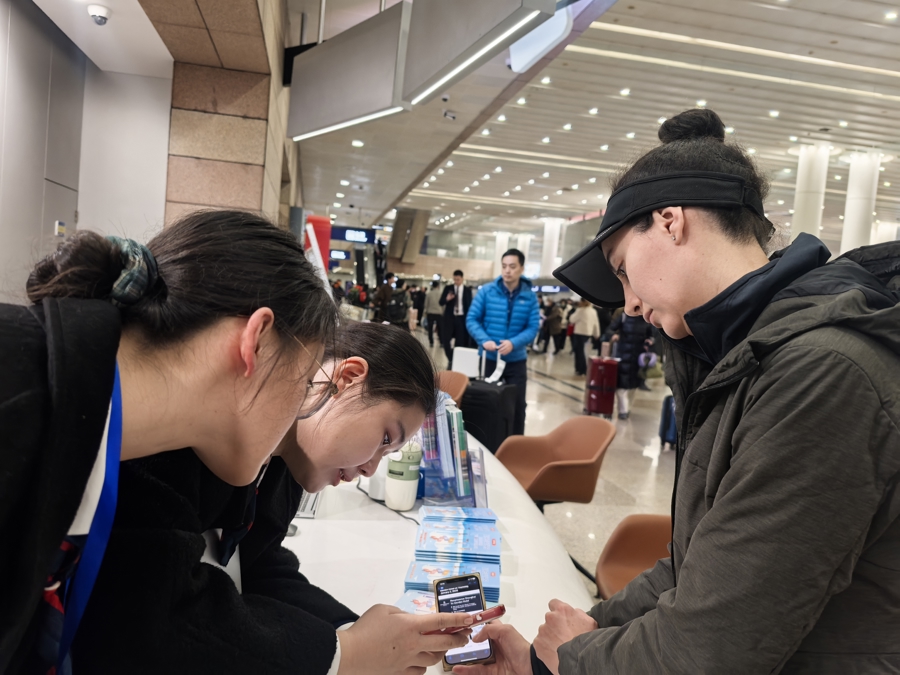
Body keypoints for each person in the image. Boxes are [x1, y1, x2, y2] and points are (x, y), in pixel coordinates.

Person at [457, 108, 900, 674]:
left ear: (670, 222)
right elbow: (700, 565)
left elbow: (711, 646)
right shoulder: (750, 357)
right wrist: (581, 638)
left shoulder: (822, 373)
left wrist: (570, 658)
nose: (632, 304)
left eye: (621, 270)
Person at [0, 210, 339, 674]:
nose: (301, 411)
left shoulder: (93, 442)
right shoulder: (17, 400)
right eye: (305, 385)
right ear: (256, 342)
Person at [71, 322, 472, 673]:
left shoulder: (285, 465)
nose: (371, 468)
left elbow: (258, 564)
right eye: (385, 439)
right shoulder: (176, 440)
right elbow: (148, 621)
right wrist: (346, 653)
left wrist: (368, 643)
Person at [466, 249, 540, 436]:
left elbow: (533, 327)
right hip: (490, 358)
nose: (507, 271)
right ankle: (488, 440)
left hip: (516, 360)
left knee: (518, 404)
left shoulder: (529, 296)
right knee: (489, 401)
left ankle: (515, 444)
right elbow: (472, 319)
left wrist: (514, 343)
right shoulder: (487, 292)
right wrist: (485, 340)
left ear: (522, 268)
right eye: (504, 266)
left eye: (513, 266)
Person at [604, 312, 654, 418]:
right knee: (621, 384)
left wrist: (649, 341)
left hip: (638, 357)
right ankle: (623, 410)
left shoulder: (646, 319)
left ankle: (627, 408)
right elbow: (609, 330)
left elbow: (651, 335)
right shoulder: (623, 316)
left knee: (633, 386)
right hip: (622, 355)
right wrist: (613, 336)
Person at [440, 270, 473, 367]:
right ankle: (450, 358)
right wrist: (447, 299)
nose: (456, 281)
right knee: (446, 340)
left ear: (462, 279)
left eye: (458, 279)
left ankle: (457, 359)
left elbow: (469, 305)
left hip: (461, 318)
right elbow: (441, 302)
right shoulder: (448, 288)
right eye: (454, 279)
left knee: (460, 340)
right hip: (450, 317)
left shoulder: (467, 290)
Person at [568, 299, 600, 376]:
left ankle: (580, 369)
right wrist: (597, 334)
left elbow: (572, 319)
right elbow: (596, 323)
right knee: (584, 351)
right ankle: (583, 369)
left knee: (579, 352)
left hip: (579, 333)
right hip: (588, 333)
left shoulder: (581, 310)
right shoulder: (593, 311)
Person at [424, 279, 444, 347]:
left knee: (430, 328)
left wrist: (426, 311)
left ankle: (431, 342)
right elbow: (444, 304)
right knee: (440, 328)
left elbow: (426, 304)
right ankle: (441, 342)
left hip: (430, 313)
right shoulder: (441, 294)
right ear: (438, 286)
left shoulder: (429, 294)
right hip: (439, 313)